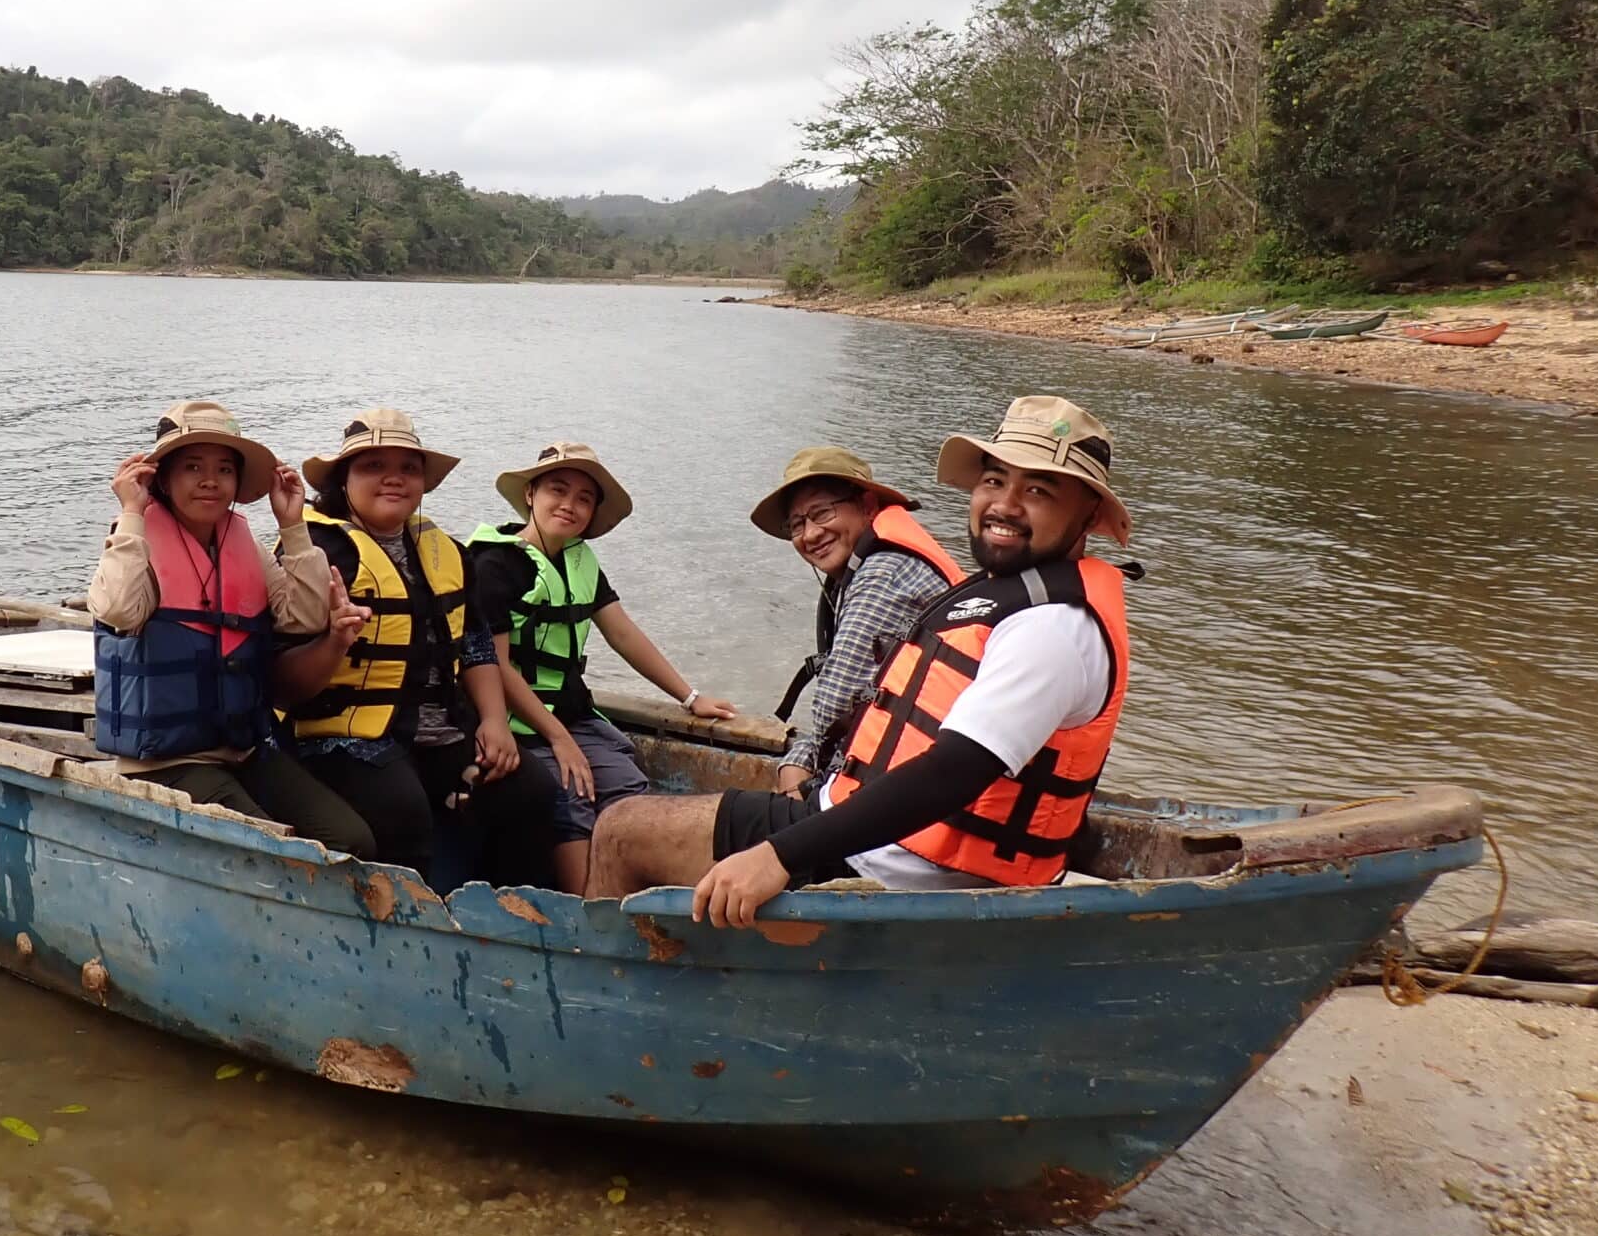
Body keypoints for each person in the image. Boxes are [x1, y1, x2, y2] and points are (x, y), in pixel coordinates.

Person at [588, 395, 1133, 922]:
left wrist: (777, 855)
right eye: (993, 481)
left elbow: (952, 774)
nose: (1004, 505)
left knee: (621, 828)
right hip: (884, 830)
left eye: (1037, 490)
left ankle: (599, 993)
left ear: (1087, 515)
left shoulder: (1051, 627)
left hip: (903, 863)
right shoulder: (1006, 591)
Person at [271, 408, 558, 883]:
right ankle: (416, 933)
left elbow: (476, 642)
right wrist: (335, 639)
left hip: (437, 732)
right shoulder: (316, 552)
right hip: (342, 738)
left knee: (532, 790)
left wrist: (492, 720)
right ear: (343, 480)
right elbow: (281, 680)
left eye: (408, 468)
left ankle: (512, 917)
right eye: (373, 466)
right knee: (402, 812)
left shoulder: (445, 550)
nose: (394, 479)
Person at [87, 400, 374, 855]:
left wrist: (293, 526)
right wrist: (132, 513)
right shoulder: (133, 539)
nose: (209, 481)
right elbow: (120, 611)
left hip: (243, 750)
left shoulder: (244, 544)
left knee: (350, 839)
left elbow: (302, 618)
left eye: (224, 469)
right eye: (192, 467)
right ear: (161, 478)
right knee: (272, 851)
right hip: (164, 763)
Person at [465, 441, 740, 891]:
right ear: (530, 494)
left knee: (629, 789)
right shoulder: (494, 563)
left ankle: (649, 897)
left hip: (573, 717)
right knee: (571, 794)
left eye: (584, 499)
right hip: (518, 725)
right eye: (558, 490)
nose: (570, 505)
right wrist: (559, 740)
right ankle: (587, 915)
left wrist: (690, 697)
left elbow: (623, 634)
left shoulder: (580, 560)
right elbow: (494, 666)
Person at [748, 447, 963, 797]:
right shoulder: (867, 563)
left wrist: (796, 765)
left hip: (910, 782)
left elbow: (835, 707)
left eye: (821, 513)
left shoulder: (883, 573)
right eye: (797, 524)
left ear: (866, 506)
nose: (811, 534)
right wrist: (799, 758)